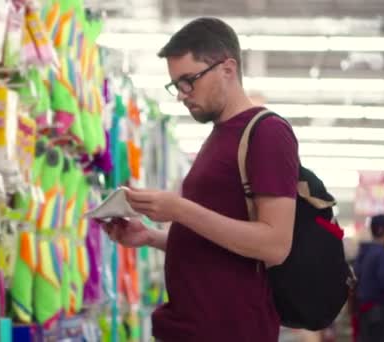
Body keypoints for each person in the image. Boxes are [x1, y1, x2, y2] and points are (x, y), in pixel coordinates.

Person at [100, 17, 299, 341]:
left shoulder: (267, 133)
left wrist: (178, 209)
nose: (181, 94)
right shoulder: (218, 137)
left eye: (188, 80)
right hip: (190, 327)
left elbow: (275, 245)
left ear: (228, 69)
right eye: (176, 84)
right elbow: (218, 246)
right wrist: (150, 237)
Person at [353, 214, 384, 342]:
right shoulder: (382, 255)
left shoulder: (364, 252)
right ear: (383, 230)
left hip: (364, 312)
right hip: (379, 313)